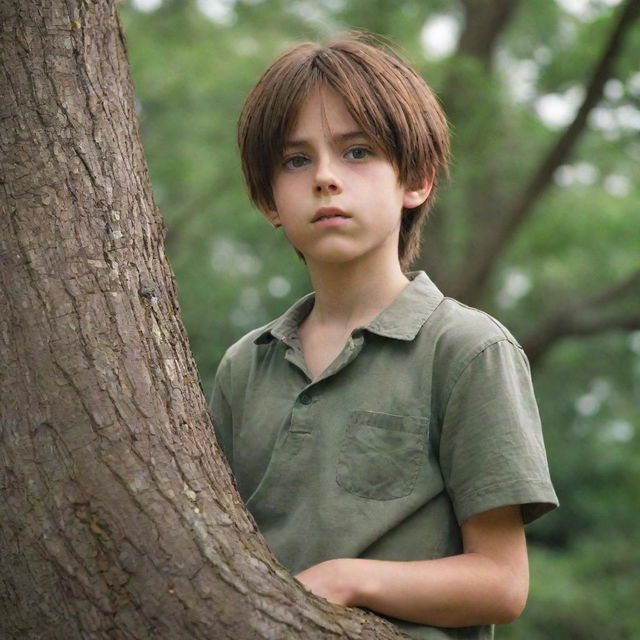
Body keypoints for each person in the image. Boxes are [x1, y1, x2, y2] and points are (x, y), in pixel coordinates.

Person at [209, 32, 558, 640]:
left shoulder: (469, 349)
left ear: (416, 180)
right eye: (296, 160)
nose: (324, 178)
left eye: (357, 151)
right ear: (270, 200)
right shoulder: (246, 365)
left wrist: (346, 579)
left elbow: (501, 584)